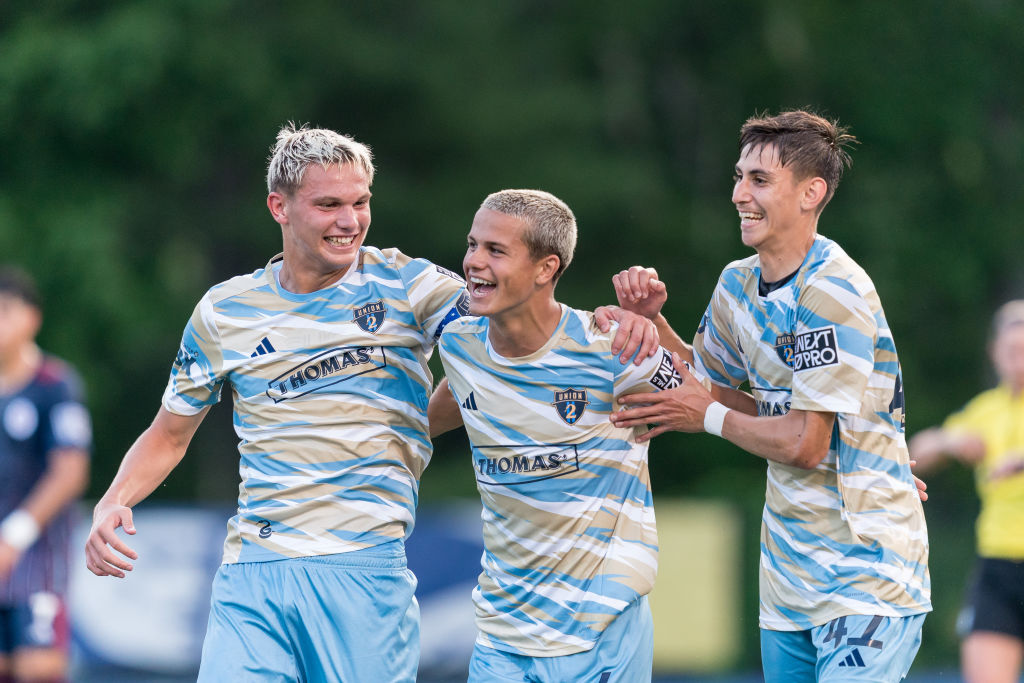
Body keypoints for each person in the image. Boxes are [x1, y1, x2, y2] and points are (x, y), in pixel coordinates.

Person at [83, 125, 656, 682]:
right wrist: (112, 500)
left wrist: (612, 324)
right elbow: (169, 434)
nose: (349, 220)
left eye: (360, 202)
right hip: (252, 570)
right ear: (278, 207)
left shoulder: (409, 285)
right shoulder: (224, 311)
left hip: (364, 567)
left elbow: (502, 340)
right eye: (329, 204)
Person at [608, 110, 932, 683]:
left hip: (865, 574)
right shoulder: (737, 282)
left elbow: (805, 445)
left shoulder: (833, 290)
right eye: (738, 177)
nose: (738, 194)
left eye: (759, 180)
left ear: (812, 193)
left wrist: (703, 415)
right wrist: (650, 324)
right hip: (787, 579)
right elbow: (702, 382)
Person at [427, 189, 703, 682]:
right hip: (502, 637)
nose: (473, 262)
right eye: (472, 245)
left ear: (545, 268)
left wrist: (654, 326)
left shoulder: (613, 348)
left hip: (602, 631)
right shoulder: (460, 346)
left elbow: (705, 397)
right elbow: (438, 413)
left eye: (495, 250)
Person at [909, 299, 1024, 683]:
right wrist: (949, 441)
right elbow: (916, 453)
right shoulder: (986, 410)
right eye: (1011, 349)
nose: (1018, 357)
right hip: (997, 566)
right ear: (994, 353)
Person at [0, 266, 91, 683]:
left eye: (3, 311)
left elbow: (70, 472)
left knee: (36, 670)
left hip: (36, 560)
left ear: (31, 318)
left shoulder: (54, 385)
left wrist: (13, 535)